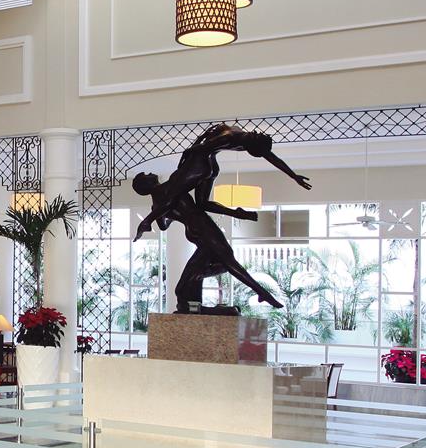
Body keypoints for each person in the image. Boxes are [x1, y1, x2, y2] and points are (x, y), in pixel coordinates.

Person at [131, 124, 312, 313]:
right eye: (146, 176)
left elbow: (165, 222)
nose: (150, 173)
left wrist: (155, 216)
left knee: (200, 277)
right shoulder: (168, 190)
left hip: (196, 225)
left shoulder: (162, 198)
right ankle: (261, 293)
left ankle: (204, 306)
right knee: (225, 262)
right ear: (146, 185)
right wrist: (150, 219)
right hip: (201, 224)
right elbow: (174, 203)